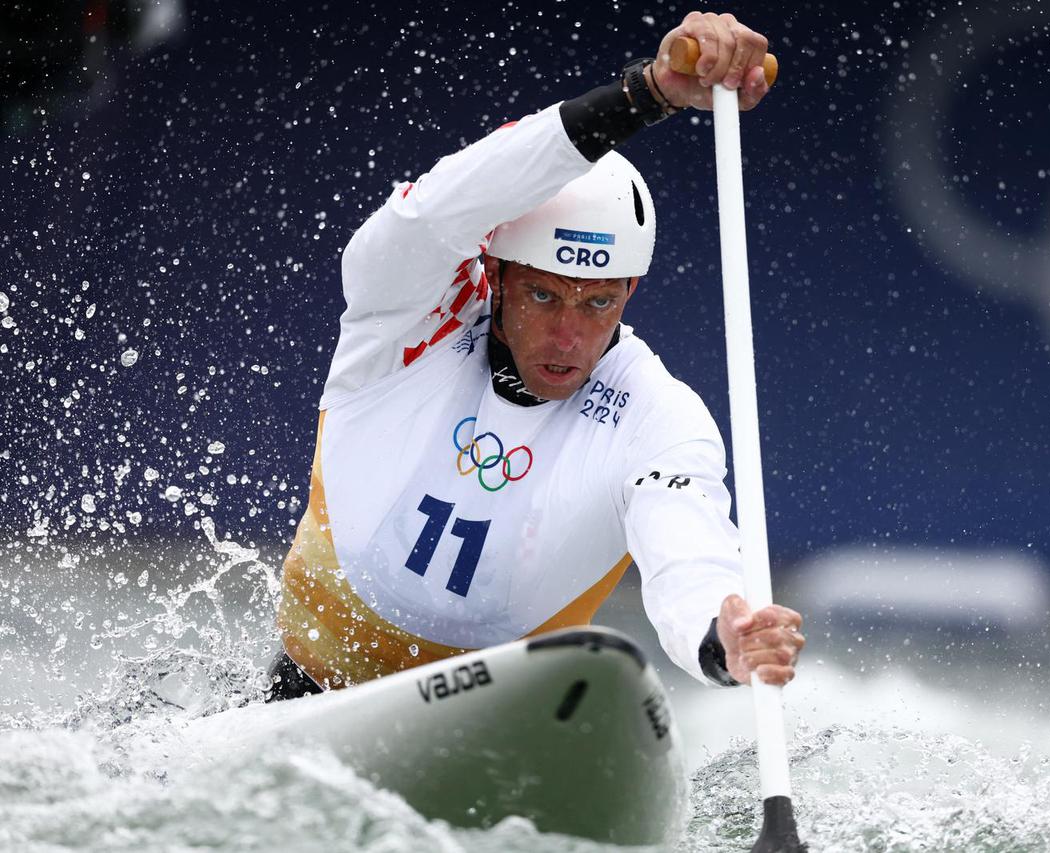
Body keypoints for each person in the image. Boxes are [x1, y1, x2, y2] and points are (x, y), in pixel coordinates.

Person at [267, 11, 804, 702]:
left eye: (599, 302)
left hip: (497, 723)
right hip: (303, 693)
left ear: (631, 290)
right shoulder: (403, 316)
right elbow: (436, 210)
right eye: (546, 297)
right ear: (497, 273)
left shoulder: (656, 415)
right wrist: (648, 93)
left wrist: (722, 638)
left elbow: (688, 552)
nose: (569, 339)